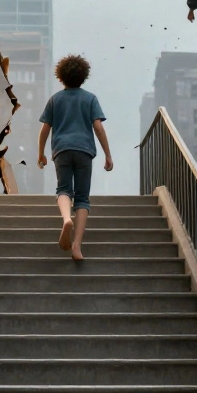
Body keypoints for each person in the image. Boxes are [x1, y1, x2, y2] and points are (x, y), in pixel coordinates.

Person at [37, 55, 113, 261]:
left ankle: (66, 219)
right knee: (82, 198)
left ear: (61, 76)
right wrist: (107, 154)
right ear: (83, 76)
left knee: (63, 189)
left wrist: (41, 153)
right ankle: (77, 246)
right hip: (84, 150)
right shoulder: (90, 99)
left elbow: (45, 129)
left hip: (61, 150)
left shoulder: (55, 100)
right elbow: (98, 127)